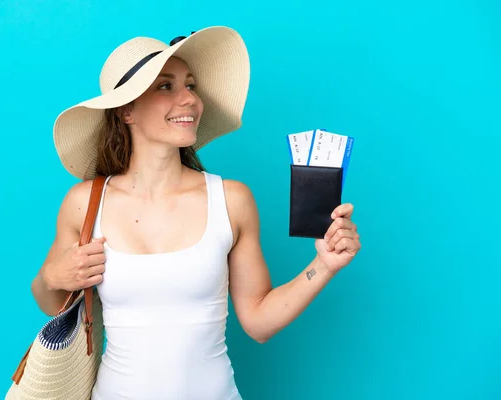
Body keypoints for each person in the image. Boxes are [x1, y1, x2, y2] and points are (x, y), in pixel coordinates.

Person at [30, 26, 361, 400]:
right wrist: (54, 275)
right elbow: (49, 301)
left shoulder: (231, 200)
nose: (189, 98)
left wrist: (325, 265)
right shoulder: (85, 202)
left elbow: (258, 322)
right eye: (166, 86)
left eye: (191, 85)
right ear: (126, 111)